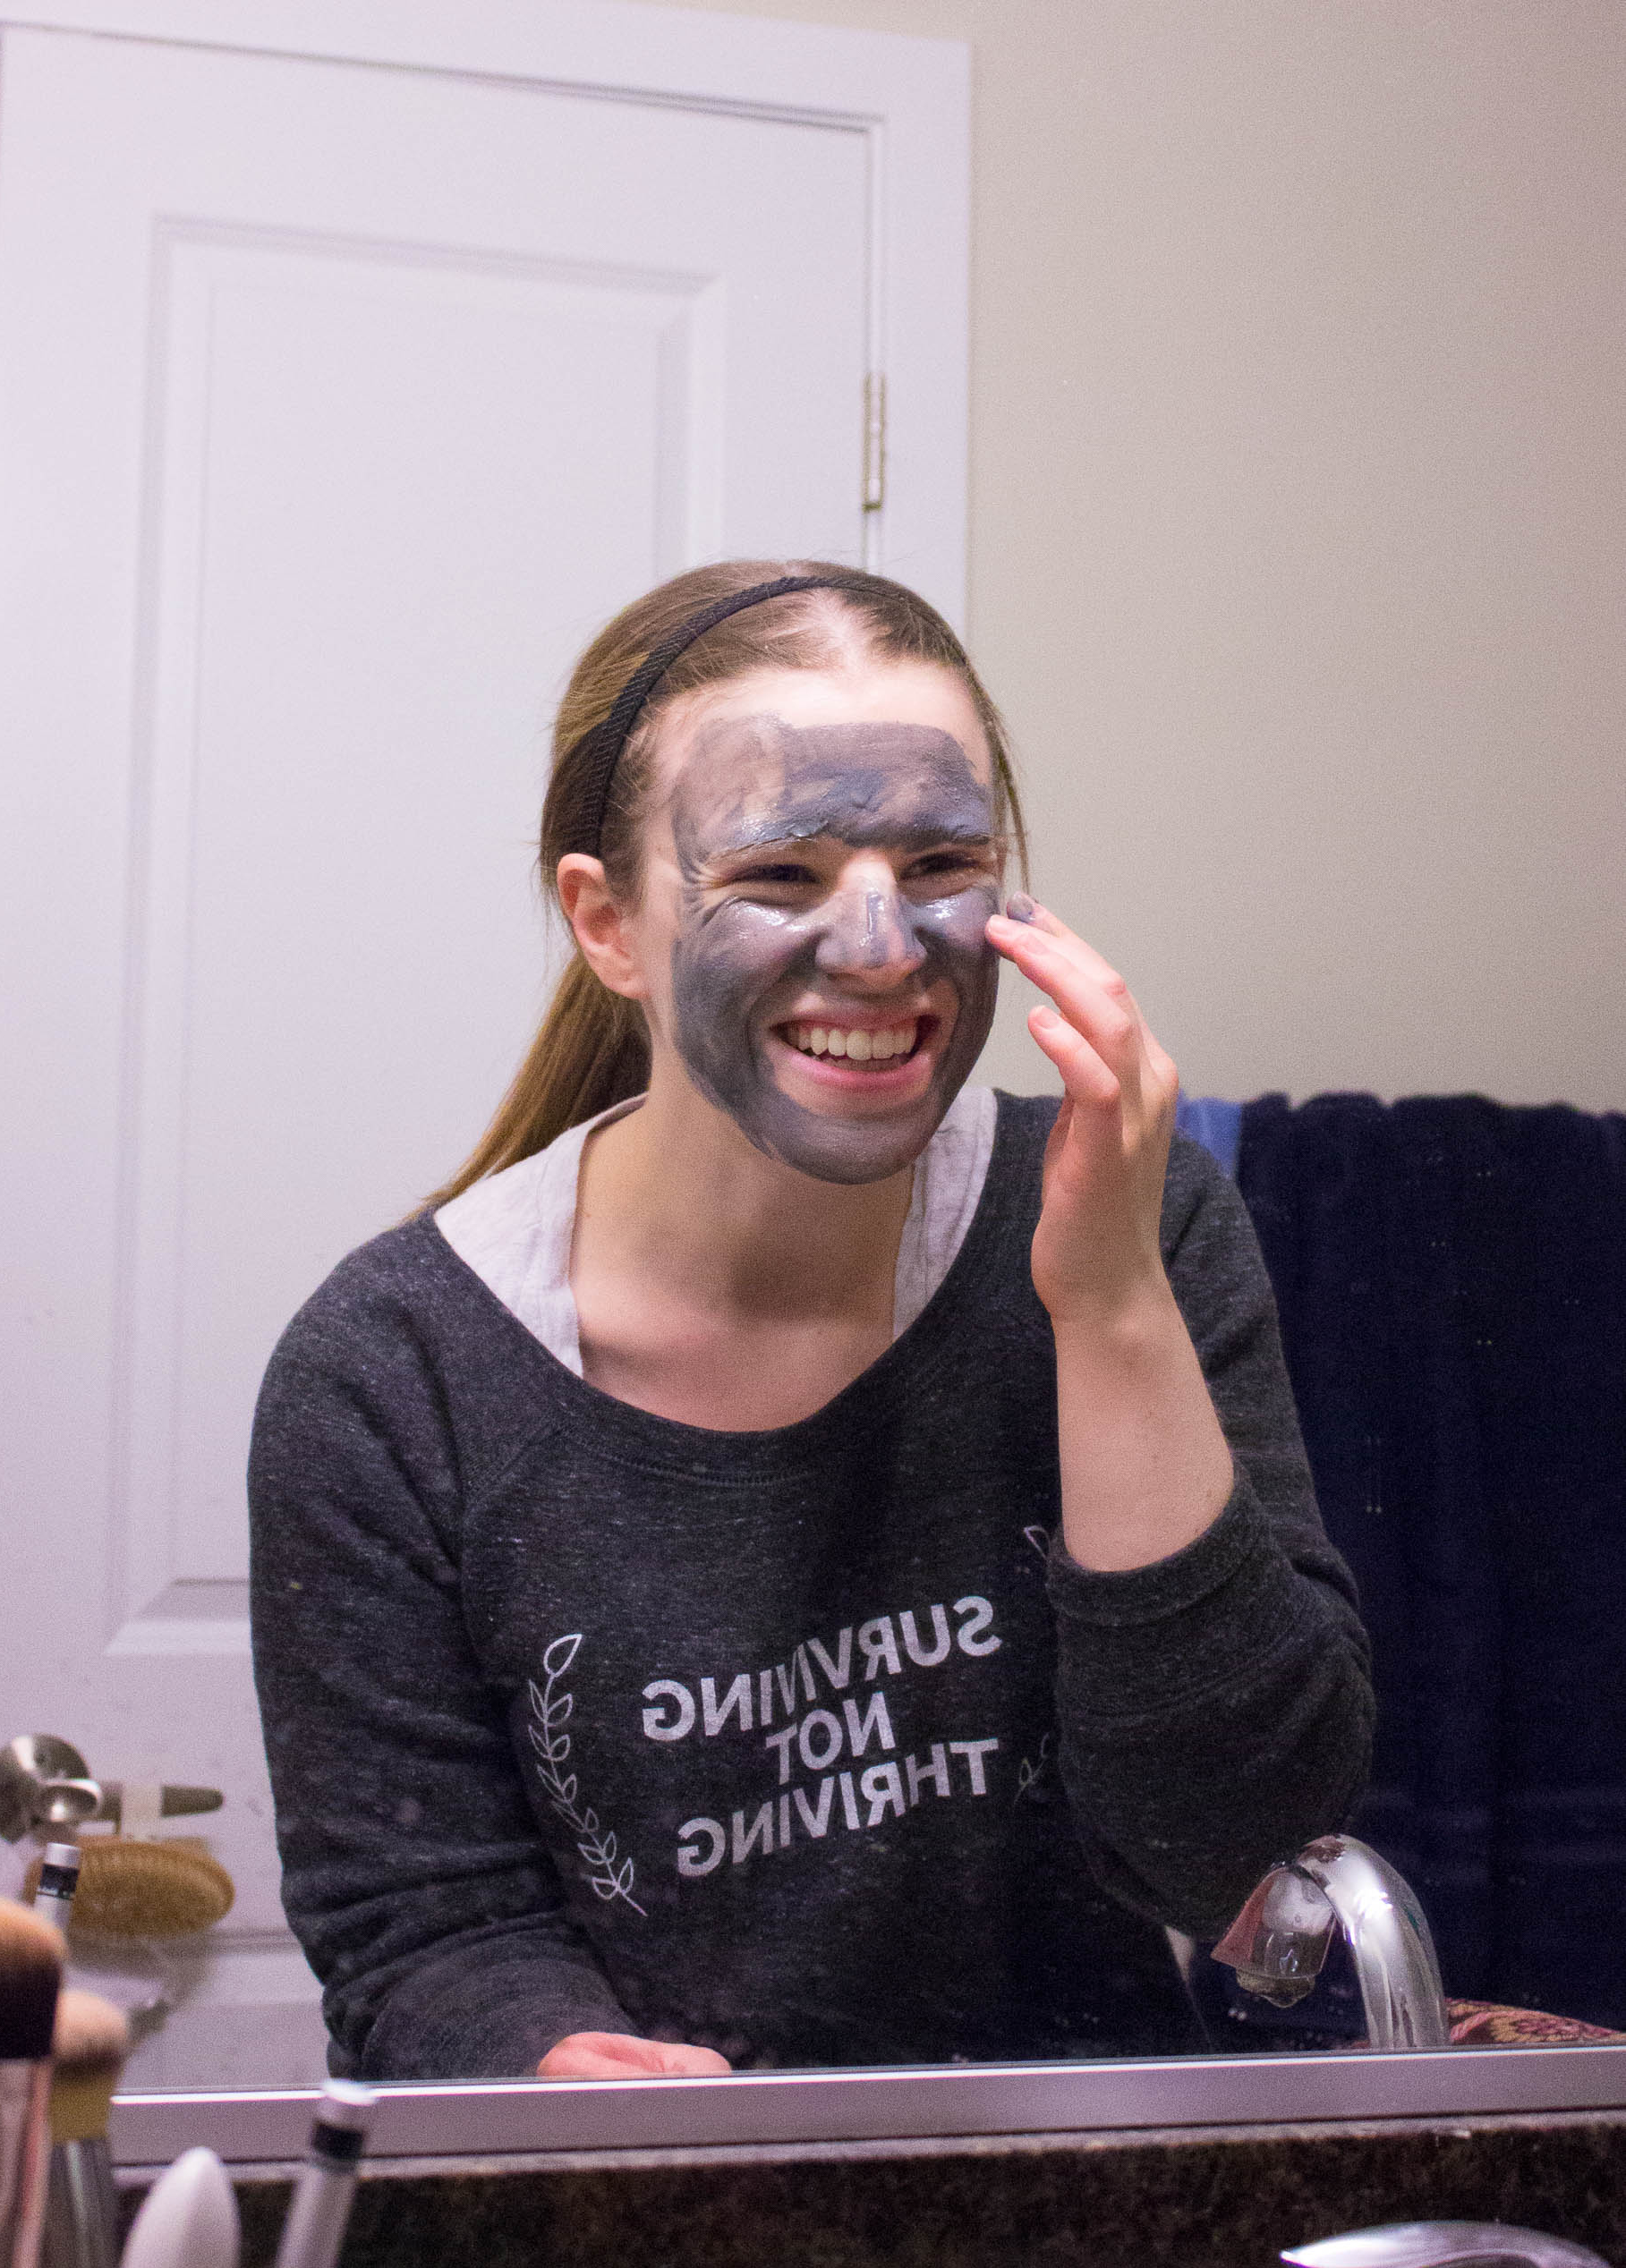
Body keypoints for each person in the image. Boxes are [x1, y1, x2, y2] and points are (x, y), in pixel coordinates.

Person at [249, 561, 1373, 2081]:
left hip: (1105, 2220)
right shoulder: (390, 1378)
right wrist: (546, 2056)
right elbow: (419, 1940)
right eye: (778, 877)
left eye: (940, 861)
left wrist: (1107, 1308)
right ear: (608, 924)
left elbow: (1225, 1846)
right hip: (646, 2248)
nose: (881, 947)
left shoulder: (1137, 1221)